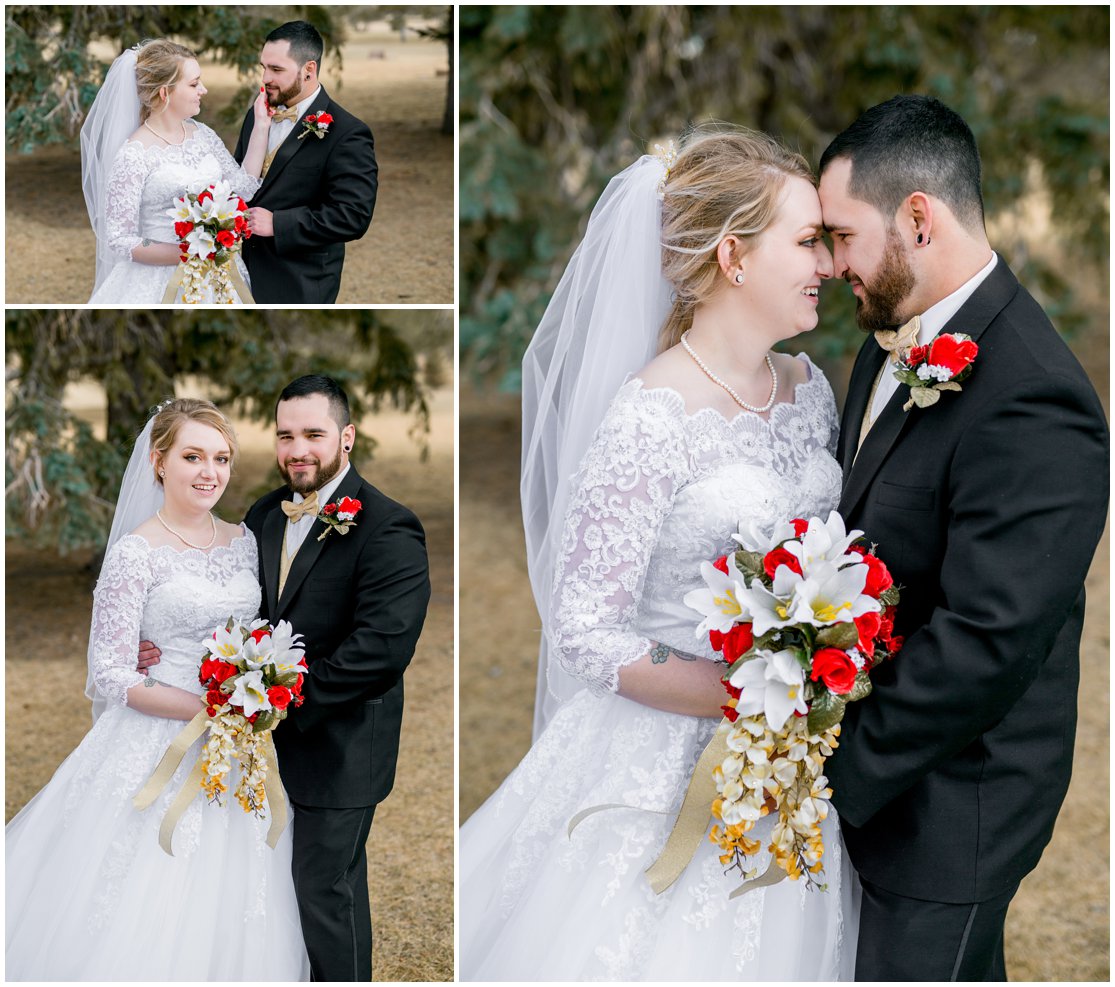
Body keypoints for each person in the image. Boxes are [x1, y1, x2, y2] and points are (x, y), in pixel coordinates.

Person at [460, 127, 856, 980]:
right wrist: (744, 694)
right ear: (733, 256)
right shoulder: (649, 413)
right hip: (659, 763)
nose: (826, 262)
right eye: (805, 240)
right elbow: (585, 629)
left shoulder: (808, 389)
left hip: (789, 762)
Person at [817, 94, 1109, 981]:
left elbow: (986, 640)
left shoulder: (1033, 395)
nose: (831, 264)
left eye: (840, 234)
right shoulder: (884, 343)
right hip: (879, 789)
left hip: (949, 811)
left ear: (916, 217)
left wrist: (829, 773)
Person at [5, 399, 310, 980]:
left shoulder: (246, 540)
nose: (209, 472)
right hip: (158, 735)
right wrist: (210, 706)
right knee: (147, 880)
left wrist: (254, 691)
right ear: (159, 461)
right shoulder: (135, 553)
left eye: (221, 458)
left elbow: (260, 629)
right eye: (193, 456)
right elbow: (110, 673)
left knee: (236, 879)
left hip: (237, 741)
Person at [139, 375, 430, 980]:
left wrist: (273, 703)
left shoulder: (389, 527)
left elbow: (379, 651)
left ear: (346, 438)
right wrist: (162, 646)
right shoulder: (265, 514)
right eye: (285, 435)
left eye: (314, 435)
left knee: (326, 891)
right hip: (255, 747)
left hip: (338, 745)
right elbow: (237, 612)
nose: (298, 449)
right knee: (264, 888)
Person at [81, 40, 272, 303]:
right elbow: (120, 238)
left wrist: (262, 124)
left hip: (219, 274)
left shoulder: (202, 134)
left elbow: (243, 188)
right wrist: (189, 251)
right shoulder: (134, 154)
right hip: (157, 279)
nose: (203, 90)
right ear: (164, 93)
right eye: (194, 84)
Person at [232, 21, 378, 303]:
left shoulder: (347, 133)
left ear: (308, 69)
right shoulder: (256, 116)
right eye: (263, 67)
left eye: (276, 69)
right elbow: (241, 181)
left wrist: (279, 224)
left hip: (299, 282)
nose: (265, 78)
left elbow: (354, 216)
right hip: (241, 272)